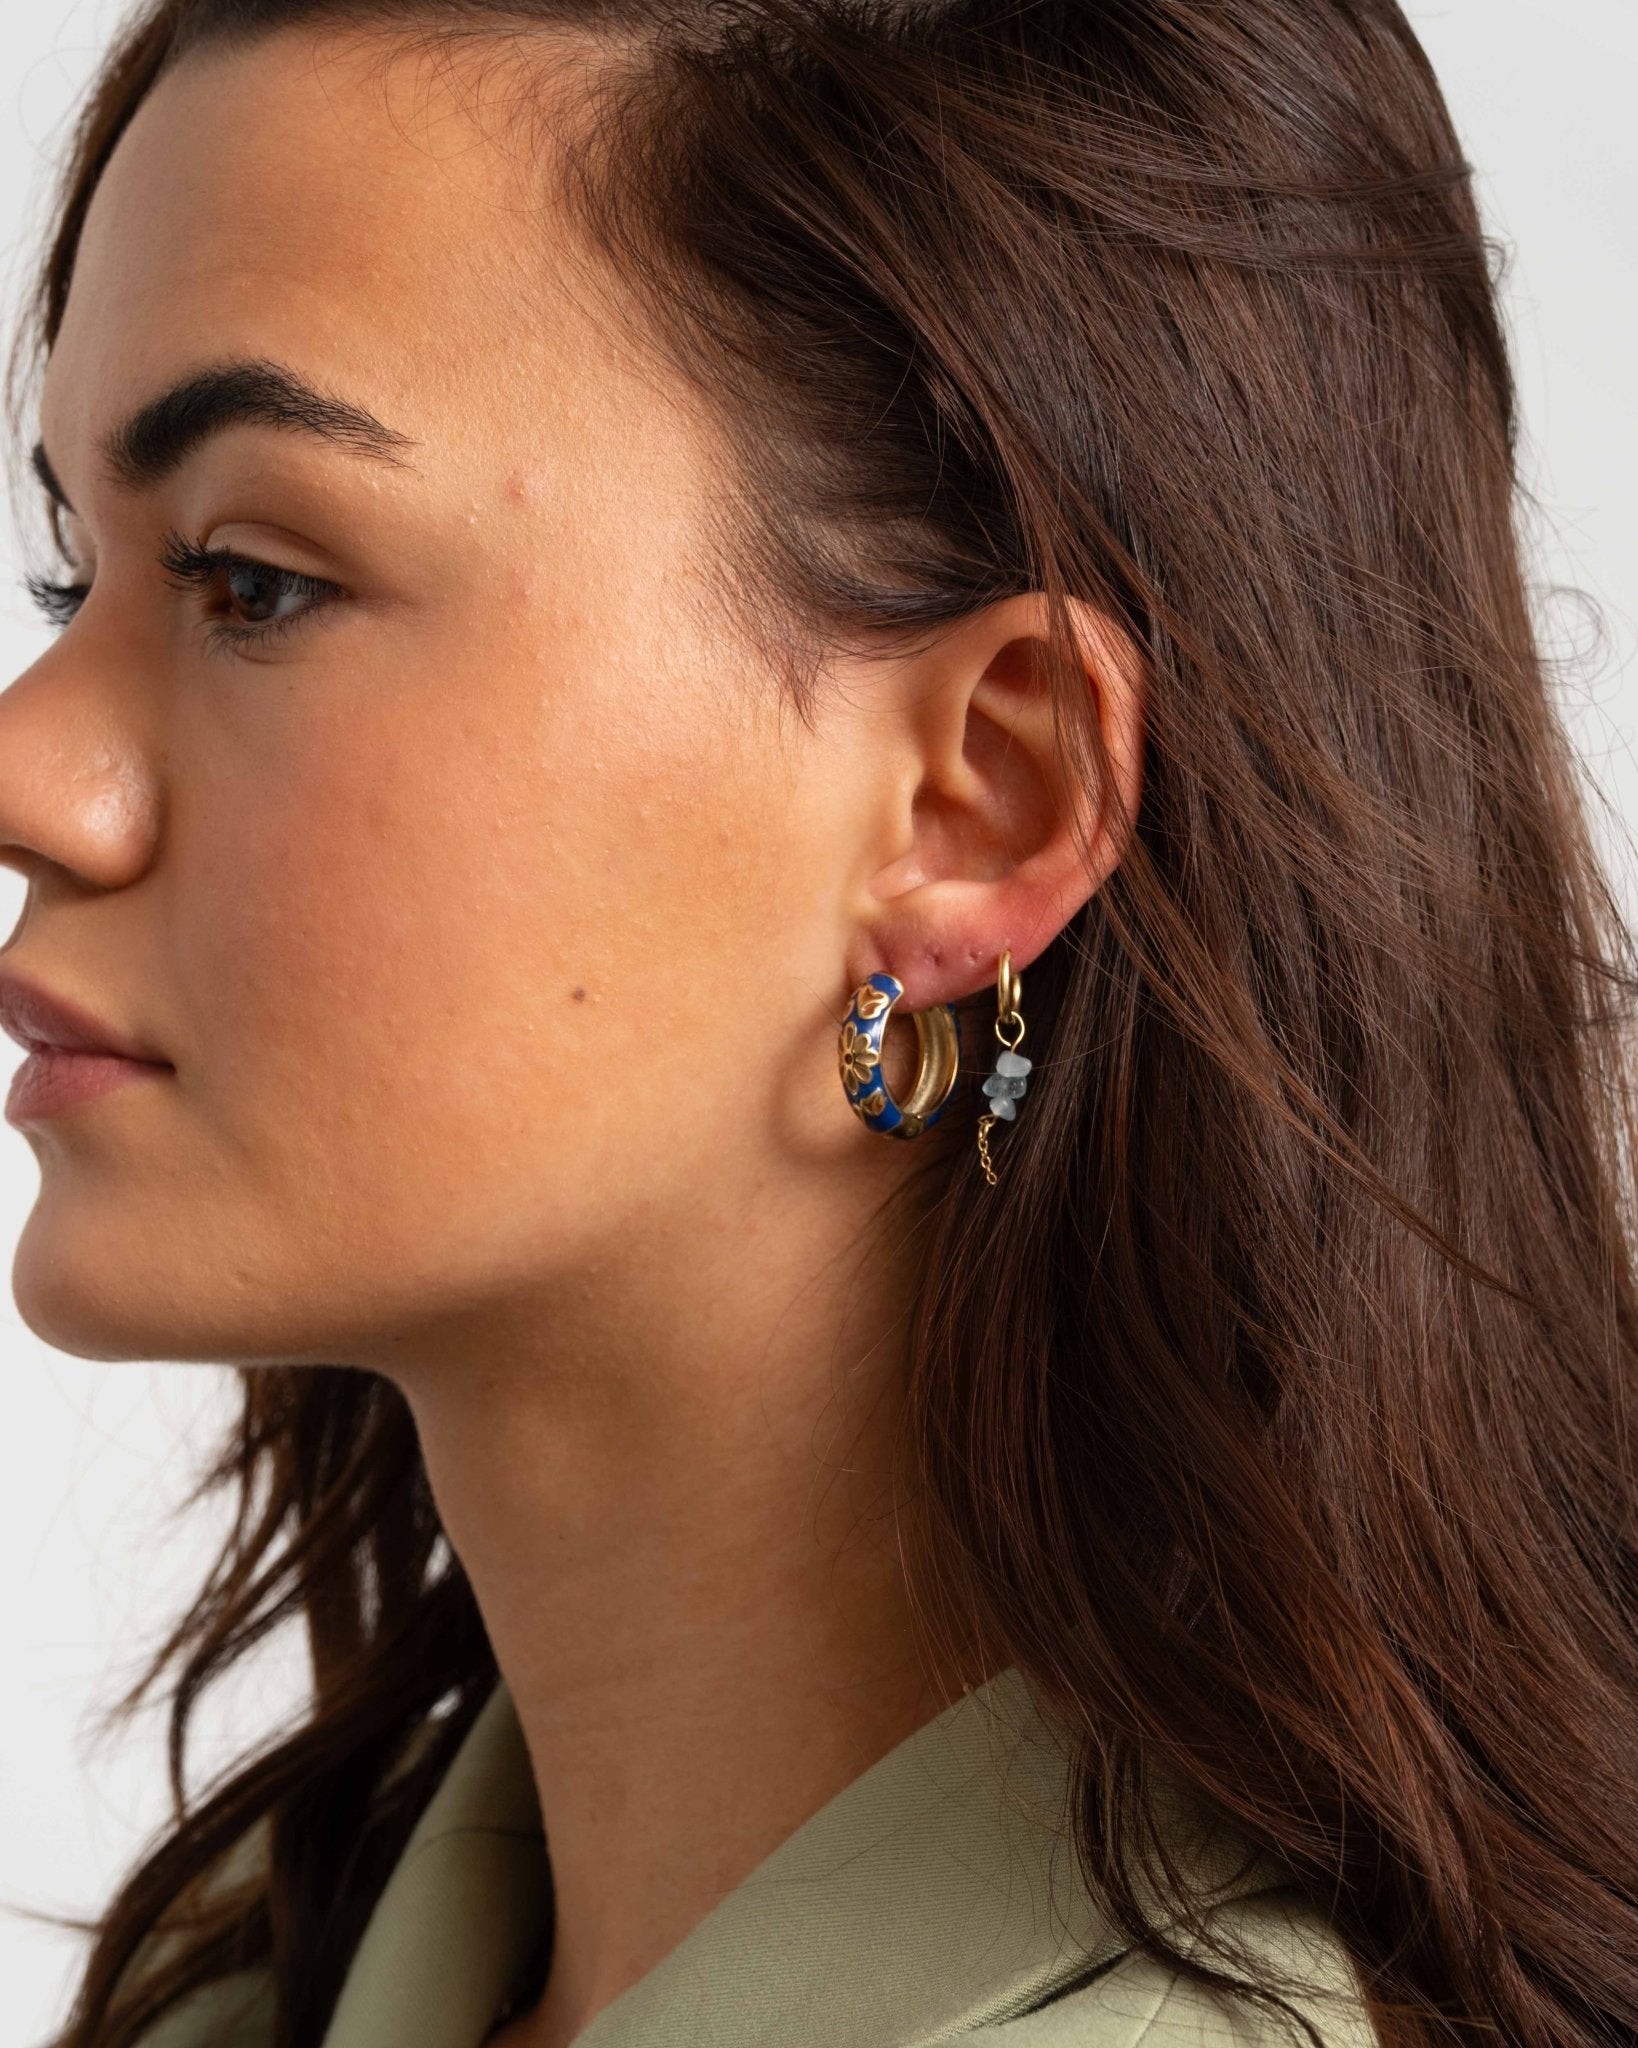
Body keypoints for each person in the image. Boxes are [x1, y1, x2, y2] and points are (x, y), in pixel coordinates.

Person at [1, 1, 1634, 2043]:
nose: (30, 769)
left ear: (983, 802)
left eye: (252, 579)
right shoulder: (256, 1980)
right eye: (74, 577)